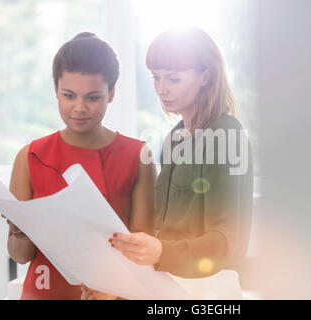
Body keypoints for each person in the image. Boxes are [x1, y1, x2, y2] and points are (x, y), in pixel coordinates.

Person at [6, 32, 156, 300]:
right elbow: (20, 255)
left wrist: (111, 289)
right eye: (69, 95)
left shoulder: (138, 156)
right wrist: (19, 229)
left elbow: (143, 253)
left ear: (111, 93)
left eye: (93, 97)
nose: (79, 107)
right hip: (44, 292)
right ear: (56, 92)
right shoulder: (30, 156)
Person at [108, 27, 253, 283]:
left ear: (205, 76)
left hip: (206, 288)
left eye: (173, 79)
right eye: (156, 77)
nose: (161, 89)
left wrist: (161, 251)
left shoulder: (226, 135)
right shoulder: (175, 138)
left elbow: (227, 242)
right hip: (169, 283)